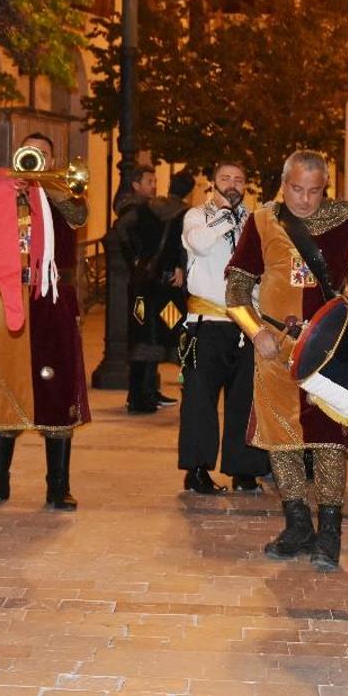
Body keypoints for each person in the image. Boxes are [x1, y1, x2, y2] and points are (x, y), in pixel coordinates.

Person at [224, 151, 348, 571]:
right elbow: (237, 288)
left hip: (329, 352)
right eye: (296, 189)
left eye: (314, 191)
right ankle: (297, 523)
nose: (304, 199)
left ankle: (330, 532)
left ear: (325, 188)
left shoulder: (346, 219)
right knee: (282, 442)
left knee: (328, 440)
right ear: (284, 183)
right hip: (275, 348)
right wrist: (255, 330)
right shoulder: (263, 221)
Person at [0, 133, 90, 511]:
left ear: (54, 160)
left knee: (56, 388)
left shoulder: (66, 194)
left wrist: (45, 184)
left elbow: (78, 216)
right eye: (29, 154)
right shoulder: (5, 192)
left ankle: (58, 487)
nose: (35, 160)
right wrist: (5, 191)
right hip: (9, 297)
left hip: (52, 297)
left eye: (43, 154)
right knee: (5, 382)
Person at [176, 161, 269, 494]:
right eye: (225, 178)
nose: (232, 184)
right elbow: (198, 244)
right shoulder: (196, 216)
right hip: (207, 323)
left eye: (239, 180)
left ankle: (244, 469)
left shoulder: (254, 221)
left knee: (245, 399)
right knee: (200, 399)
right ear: (212, 183)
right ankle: (197, 469)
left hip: (246, 323)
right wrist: (224, 215)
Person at [117, 166, 185, 414]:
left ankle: (147, 390)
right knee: (145, 335)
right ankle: (139, 395)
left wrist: (137, 258)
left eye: (155, 180)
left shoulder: (154, 209)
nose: (153, 185)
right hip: (149, 286)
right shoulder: (137, 209)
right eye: (149, 180)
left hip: (152, 286)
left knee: (152, 334)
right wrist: (134, 257)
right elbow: (121, 229)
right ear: (136, 184)